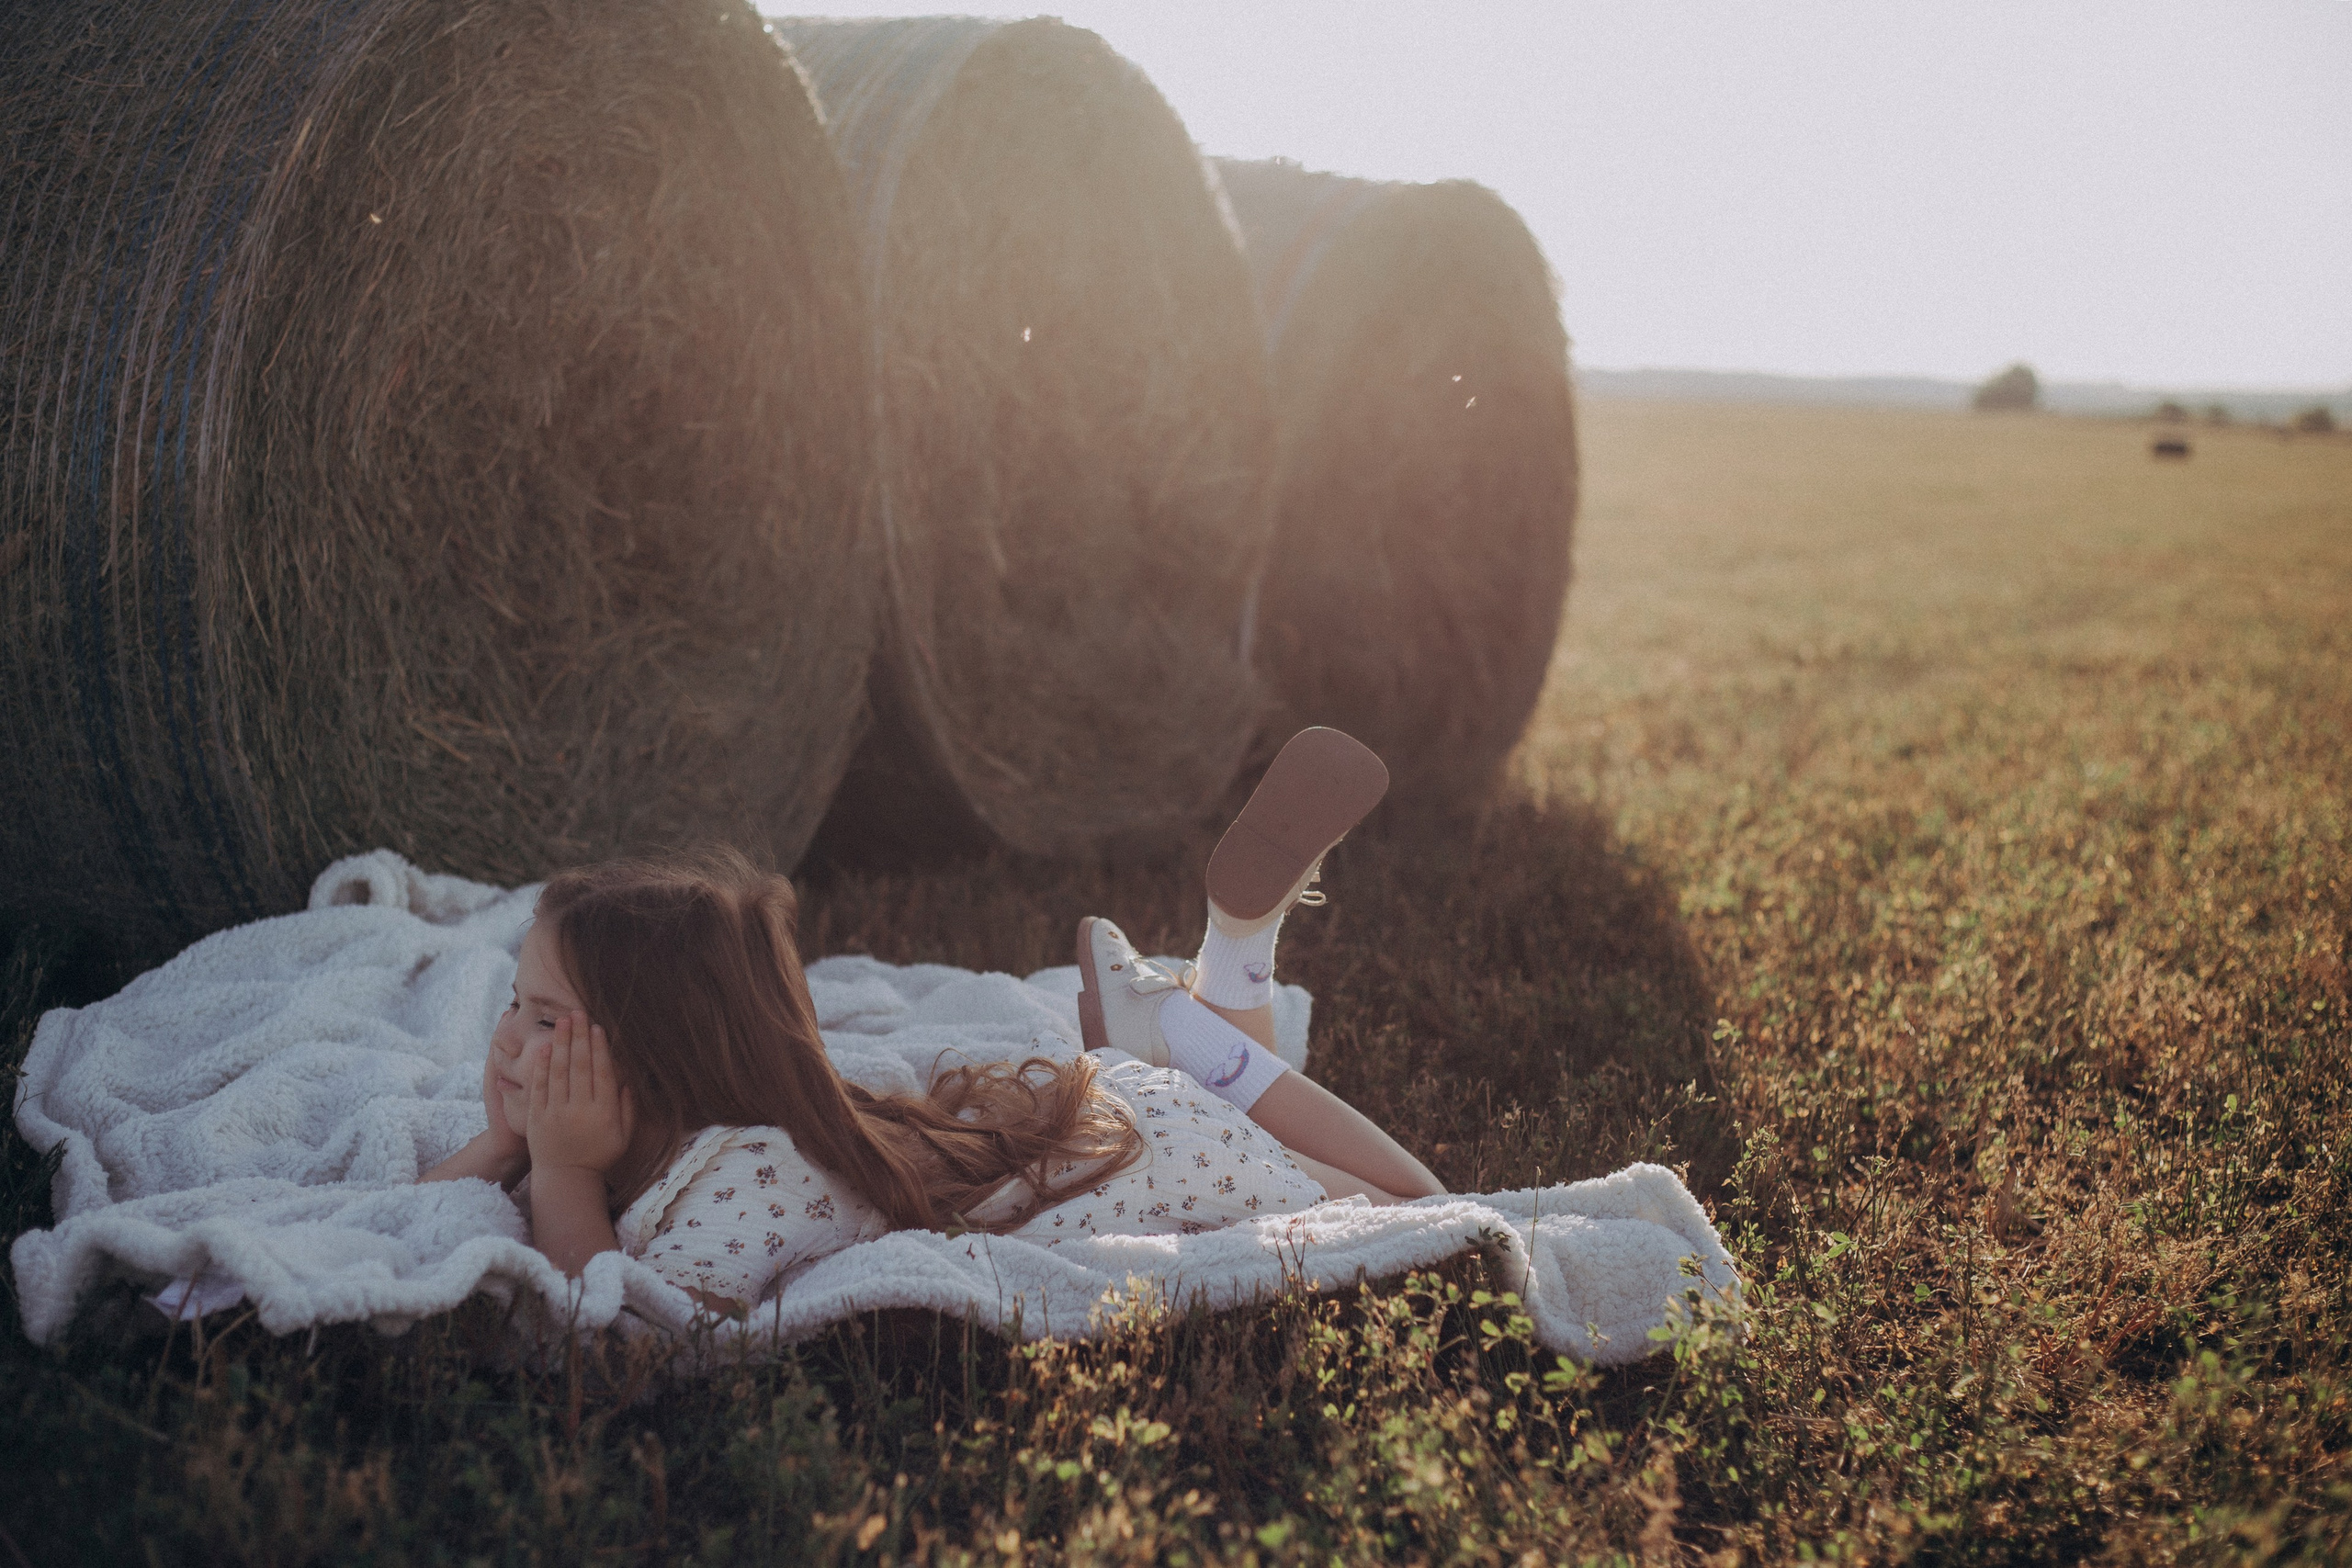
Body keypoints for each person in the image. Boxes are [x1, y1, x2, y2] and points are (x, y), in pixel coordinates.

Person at [420, 728, 1444, 1317]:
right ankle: (1220, 967)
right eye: (516, 1004)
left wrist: (552, 1173)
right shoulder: (678, 1145)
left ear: (661, 1056)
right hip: (1131, 1131)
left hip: (1161, 1163)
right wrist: (510, 1143)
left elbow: (612, 1346)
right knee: (1365, 1182)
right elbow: (432, 1204)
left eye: (547, 1018)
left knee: (1429, 1211)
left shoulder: (739, 1179)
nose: (508, 1035)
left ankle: (1192, 1017)